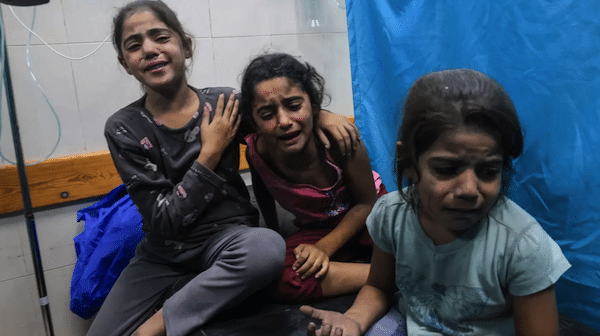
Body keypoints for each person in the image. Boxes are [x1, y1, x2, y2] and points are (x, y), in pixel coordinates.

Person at [87, 2, 359, 335]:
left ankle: (158, 326)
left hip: (231, 241)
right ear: (124, 63)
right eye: (134, 45)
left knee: (267, 249)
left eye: (160, 36)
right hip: (164, 253)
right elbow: (164, 220)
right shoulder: (124, 128)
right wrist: (211, 152)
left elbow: (279, 115)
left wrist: (322, 115)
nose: (149, 49)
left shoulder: (225, 104)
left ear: (185, 45)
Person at [300, 69, 572, 335]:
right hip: (410, 323)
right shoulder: (391, 215)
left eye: (488, 172)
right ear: (408, 162)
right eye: (446, 169)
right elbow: (379, 287)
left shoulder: (523, 246)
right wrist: (354, 321)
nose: (469, 190)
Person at [239, 53, 388, 304]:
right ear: (253, 121)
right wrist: (275, 235)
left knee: (411, 240)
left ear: (314, 104)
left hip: (367, 217)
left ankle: (385, 268)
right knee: (276, 275)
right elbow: (263, 190)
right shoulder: (257, 151)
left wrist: (324, 249)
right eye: (267, 114)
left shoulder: (339, 142)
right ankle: (386, 273)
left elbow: (367, 204)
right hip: (318, 228)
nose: (284, 121)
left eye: (294, 106)